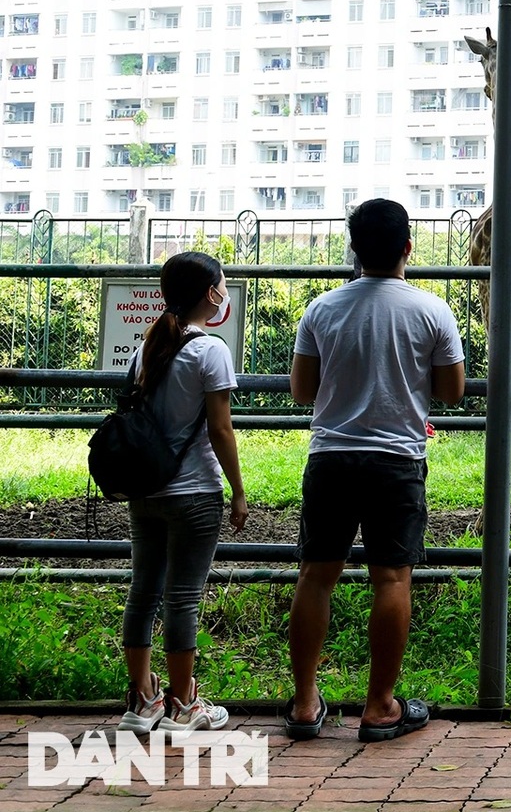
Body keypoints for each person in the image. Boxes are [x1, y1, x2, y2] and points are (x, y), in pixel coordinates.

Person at [285, 198, 465, 742]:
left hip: (331, 456)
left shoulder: (321, 310)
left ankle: (303, 705)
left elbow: (301, 391)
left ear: (354, 249)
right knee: (391, 578)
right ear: (409, 247)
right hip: (397, 460)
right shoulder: (432, 311)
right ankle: (380, 706)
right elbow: (452, 391)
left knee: (317, 576)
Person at [118, 251, 248, 736]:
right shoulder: (210, 350)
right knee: (184, 598)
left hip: (146, 490)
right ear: (211, 294)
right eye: (222, 283)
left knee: (143, 591)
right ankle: (183, 704)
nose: (224, 291)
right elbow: (220, 429)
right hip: (193, 492)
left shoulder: (146, 348)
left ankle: (142, 699)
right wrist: (237, 490)